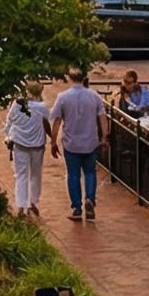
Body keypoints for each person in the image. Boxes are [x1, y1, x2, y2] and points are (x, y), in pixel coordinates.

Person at [48, 67, 106, 223]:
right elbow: (102, 117)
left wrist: (53, 141)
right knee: (90, 172)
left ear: (69, 78)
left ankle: (77, 207)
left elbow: (57, 120)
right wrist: (105, 137)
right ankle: (90, 199)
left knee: (73, 174)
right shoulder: (94, 96)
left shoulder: (63, 97)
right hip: (90, 141)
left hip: (71, 142)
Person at [4, 82, 50, 218]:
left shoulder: (18, 104)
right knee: (35, 174)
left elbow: (9, 121)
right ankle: (33, 201)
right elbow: (47, 123)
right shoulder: (43, 107)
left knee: (21, 175)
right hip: (37, 145)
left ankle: (21, 206)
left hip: (20, 143)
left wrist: (8, 134)